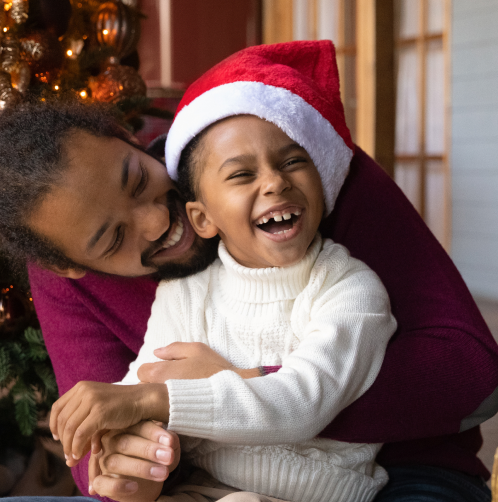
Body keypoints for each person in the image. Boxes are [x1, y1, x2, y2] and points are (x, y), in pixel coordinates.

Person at [0, 41, 498, 502]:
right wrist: (124, 469)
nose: (161, 220)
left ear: (125, 137)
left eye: (138, 179)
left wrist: (237, 381)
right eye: (114, 239)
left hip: (395, 470)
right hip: (221, 482)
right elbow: (115, 424)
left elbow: (474, 379)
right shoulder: (92, 283)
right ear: (67, 265)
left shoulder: (296, 170)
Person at [53, 106, 398, 502]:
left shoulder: (349, 287)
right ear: (202, 218)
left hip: (316, 493)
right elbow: (143, 378)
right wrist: (128, 452)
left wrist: (153, 400)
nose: (274, 182)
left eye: (292, 161)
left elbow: (304, 401)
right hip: (203, 488)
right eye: (241, 175)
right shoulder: (184, 292)